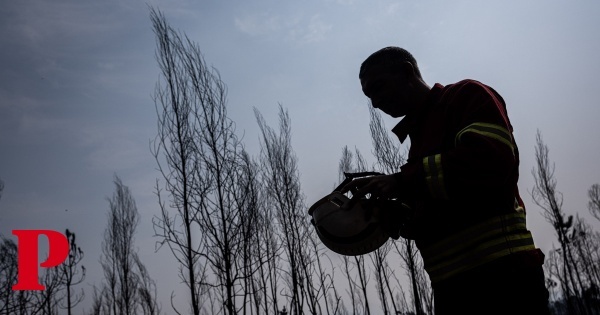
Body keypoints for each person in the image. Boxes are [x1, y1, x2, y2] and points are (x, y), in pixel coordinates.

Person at [340, 46, 550, 314]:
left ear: (407, 71)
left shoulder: (466, 97)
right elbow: (446, 207)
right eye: (369, 96)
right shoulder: (418, 142)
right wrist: (396, 217)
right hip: (451, 291)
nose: (375, 103)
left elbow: (490, 162)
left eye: (378, 87)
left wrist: (401, 182)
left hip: (504, 279)